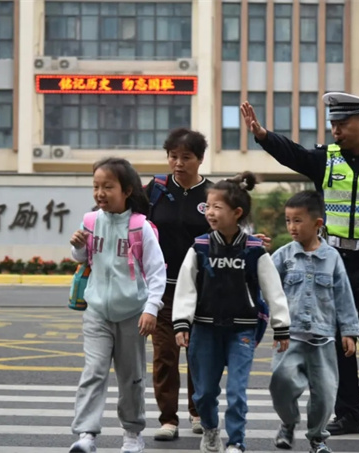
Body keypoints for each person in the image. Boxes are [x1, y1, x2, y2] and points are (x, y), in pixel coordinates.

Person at [241, 93, 359, 435]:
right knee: (339, 338)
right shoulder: (327, 159)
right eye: (333, 125)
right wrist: (264, 136)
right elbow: (293, 154)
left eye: (342, 125)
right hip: (331, 262)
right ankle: (350, 415)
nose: (336, 131)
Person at [172, 172, 291, 453]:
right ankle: (211, 431)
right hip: (204, 328)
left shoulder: (253, 250)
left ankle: (236, 441)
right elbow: (186, 287)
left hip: (242, 329)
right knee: (204, 393)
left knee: (237, 392)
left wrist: (281, 325)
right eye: (208, 206)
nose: (210, 213)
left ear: (237, 213)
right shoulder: (200, 247)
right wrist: (182, 323)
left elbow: (273, 289)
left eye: (217, 207)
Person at [68, 158, 166, 453]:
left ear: (127, 190)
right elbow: (83, 258)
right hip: (97, 311)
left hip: (132, 314)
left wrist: (151, 309)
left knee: (131, 377)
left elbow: (157, 271)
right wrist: (77, 246)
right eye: (96, 186)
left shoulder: (140, 228)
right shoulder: (90, 221)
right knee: (93, 371)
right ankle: (86, 434)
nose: (100, 193)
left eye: (108, 186)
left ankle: (133, 434)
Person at [270, 191, 359, 453]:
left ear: (317, 224)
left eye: (297, 220)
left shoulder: (332, 257)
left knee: (324, 394)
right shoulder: (284, 256)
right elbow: (264, 283)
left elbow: (343, 295)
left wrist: (349, 331)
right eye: (288, 221)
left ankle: (317, 439)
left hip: (323, 339)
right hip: (289, 336)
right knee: (282, 382)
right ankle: (288, 422)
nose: (291, 227)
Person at [145, 128, 212, 440]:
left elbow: (226, 230)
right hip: (163, 288)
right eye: (173, 156)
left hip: (202, 288)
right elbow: (137, 227)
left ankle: (198, 412)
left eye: (186, 157)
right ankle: (168, 420)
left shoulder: (212, 194)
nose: (178, 163)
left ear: (200, 159)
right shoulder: (155, 190)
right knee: (165, 354)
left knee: (199, 353)